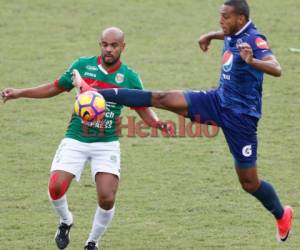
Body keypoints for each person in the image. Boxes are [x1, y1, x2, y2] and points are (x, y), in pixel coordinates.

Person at [75, 0, 293, 242]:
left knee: (249, 183)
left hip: (242, 119)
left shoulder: (254, 39)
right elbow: (229, 35)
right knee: (162, 98)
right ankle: (95, 92)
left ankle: (282, 214)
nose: (221, 21)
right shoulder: (235, 32)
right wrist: (211, 35)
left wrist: (253, 61)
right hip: (217, 101)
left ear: (240, 19)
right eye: (220, 17)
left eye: (225, 18)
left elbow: (276, 68)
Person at [1, 27, 172, 250]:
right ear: (100, 44)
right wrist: (19, 92)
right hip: (76, 138)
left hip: (106, 142)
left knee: (107, 197)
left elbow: (142, 108)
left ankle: (92, 242)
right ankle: (65, 221)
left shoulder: (129, 77)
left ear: (123, 47)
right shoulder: (82, 66)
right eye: (104, 44)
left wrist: (157, 123)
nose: (108, 49)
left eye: (114, 45)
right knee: (55, 188)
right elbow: (55, 87)